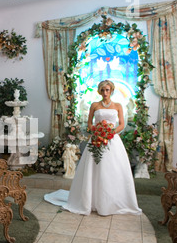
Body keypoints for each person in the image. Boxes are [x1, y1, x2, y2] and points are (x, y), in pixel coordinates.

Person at [45, 80, 141, 216]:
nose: (105, 93)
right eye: (102, 90)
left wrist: (110, 133)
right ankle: (90, 200)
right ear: (99, 91)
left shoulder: (118, 105)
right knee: (94, 168)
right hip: (96, 139)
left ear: (111, 90)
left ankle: (112, 201)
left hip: (112, 141)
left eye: (107, 90)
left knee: (112, 169)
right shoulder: (94, 105)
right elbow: (89, 124)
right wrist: (96, 131)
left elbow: (121, 124)